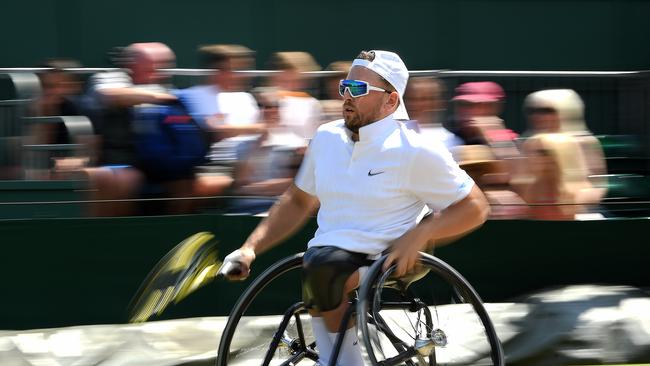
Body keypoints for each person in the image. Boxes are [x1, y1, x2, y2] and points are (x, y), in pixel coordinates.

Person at [221, 50, 490, 365]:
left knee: (323, 268)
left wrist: (421, 234)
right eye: (344, 87)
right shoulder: (325, 138)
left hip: (393, 257)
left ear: (390, 101)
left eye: (359, 90)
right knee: (321, 266)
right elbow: (297, 200)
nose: (347, 96)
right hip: (329, 258)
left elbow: (475, 207)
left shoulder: (417, 150)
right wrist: (249, 249)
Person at [404, 76, 462, 150]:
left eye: (424, 99)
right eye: (411, 99)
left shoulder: (451, 142)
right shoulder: (392, 131)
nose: (415, 104)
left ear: (438, 103)